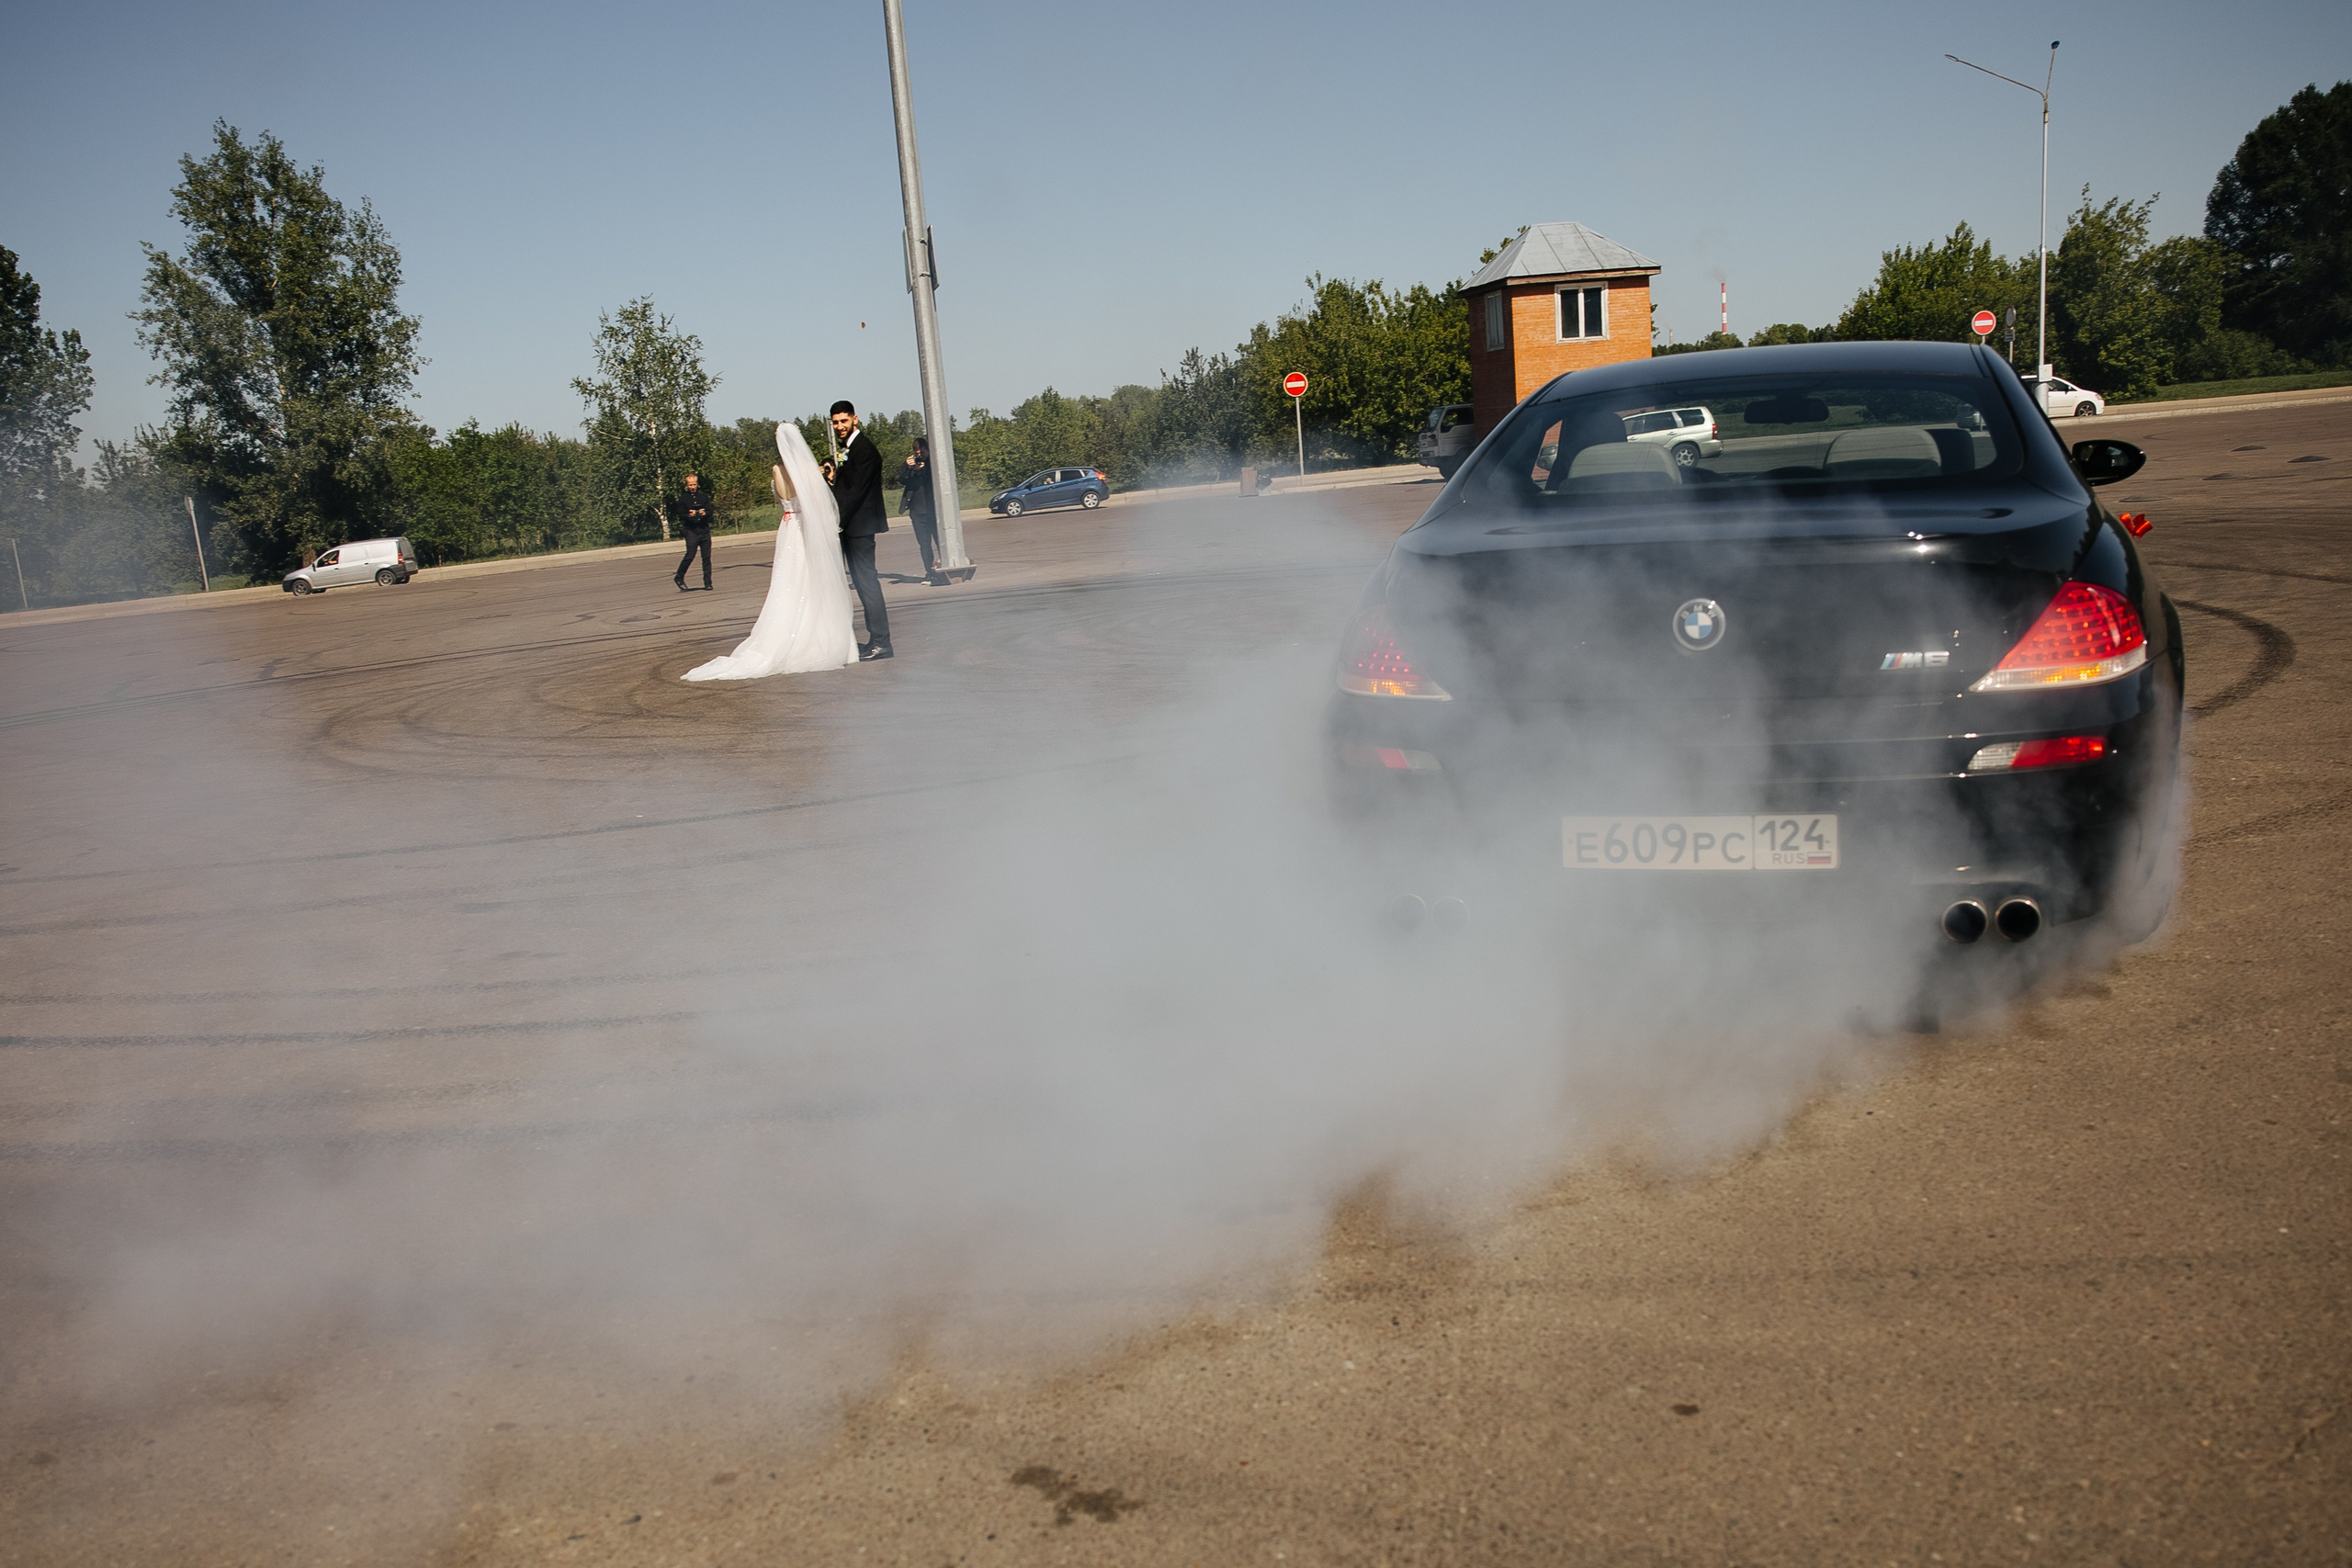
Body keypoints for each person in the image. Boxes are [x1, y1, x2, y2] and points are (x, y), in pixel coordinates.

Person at [681, 425, 856, 681]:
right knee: (808, 577)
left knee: (789, 579)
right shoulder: (809, 469)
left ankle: (789, 631)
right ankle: (820, 632)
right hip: (803, 526)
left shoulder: (778, 470)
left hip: (789, 526)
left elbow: (784, 497)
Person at [822, 400, 892, 660]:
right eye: (836, 422)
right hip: (853, 527)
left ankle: (881, 642)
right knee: (863, 585)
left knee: (867, 583)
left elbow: (853, 494)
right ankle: (875, 640)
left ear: (855, 419)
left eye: (844, 421)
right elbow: (847, 486)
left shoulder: (864, 450)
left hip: (859, 528)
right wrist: (832, 479)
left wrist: (833, 520)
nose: (840, 426)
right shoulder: (850, 449)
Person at [901, 436, 944, 584]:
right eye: (917, 451)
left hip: (934, 510)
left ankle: (944, 568)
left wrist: (925, 466)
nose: (920, 454)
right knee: (924, 544)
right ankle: (929, 571)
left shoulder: (933, 463)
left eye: (923, 451)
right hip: (917, 511)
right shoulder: (910, 466)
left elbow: (937, 479)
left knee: (941, 541)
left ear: (928, 450)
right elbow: (902, 480)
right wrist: (909, 467)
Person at [673, 472, 714, 592]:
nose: (693, 487)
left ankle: (708, 582)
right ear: (687, 485)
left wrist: (704, 513)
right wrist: (689, 515)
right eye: (690, 485)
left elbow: (710, 511)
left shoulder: (703, 497)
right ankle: (679, 576)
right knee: (690, 555)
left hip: (704, 530)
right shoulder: (683, 498)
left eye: (694, 484)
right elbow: (680, 514)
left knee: (706, 557)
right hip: (691, 531)